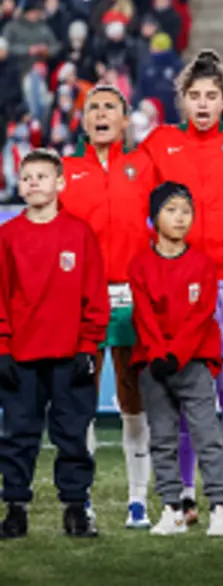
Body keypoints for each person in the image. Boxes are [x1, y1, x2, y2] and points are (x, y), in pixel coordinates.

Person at [140, 50, 223, 526]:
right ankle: (185, 498)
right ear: (183, 100)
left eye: (212, 95)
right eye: (194, 95)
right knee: (183, 394)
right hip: (178, 283)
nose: (203, 103)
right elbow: (141, 205)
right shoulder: (161, 144)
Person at [60, 86, 159, 530]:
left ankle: (138, 500)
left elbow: (168, 220)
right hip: (83, 300)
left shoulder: (144, 166)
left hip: (134, 297)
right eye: (93, 108)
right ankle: (81, 499)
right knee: (81, 397)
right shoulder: (66, 171)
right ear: (83, 120)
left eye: (110, 108)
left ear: (124, 119)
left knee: (133, 396)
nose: (101, 114)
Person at [0, 149, 108, 540]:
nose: (33, 183)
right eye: (27, 177)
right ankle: (15, 509)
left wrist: (88, 345)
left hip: (70, 355)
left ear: (60, 183)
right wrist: (3, 347)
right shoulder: (7, 236)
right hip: (21, 357)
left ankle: (75, 509)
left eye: (41, 176)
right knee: (17, 436)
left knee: (73, 435)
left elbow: (95, 294)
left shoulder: (79, 233)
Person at [130, 181, 223, 537]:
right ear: (154, 217)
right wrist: (159, 355)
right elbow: (144, 315)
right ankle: (172, 509)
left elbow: (201, 315)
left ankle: (220, 507)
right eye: (171, 210)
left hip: (193, 363)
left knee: (207, 436)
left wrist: (176, 354)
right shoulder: (140, 265)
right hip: (154, 366)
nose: (180, 218)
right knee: (161, 438)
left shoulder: (202, 264)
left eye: (186, 211)